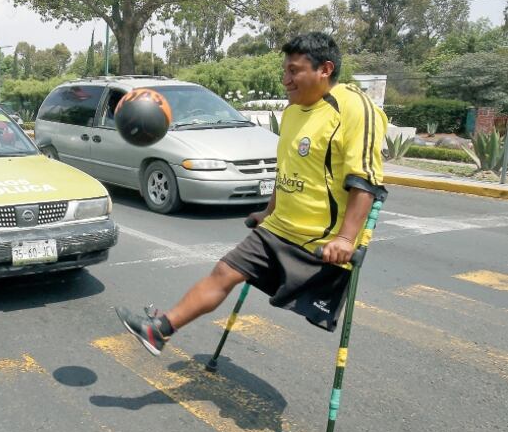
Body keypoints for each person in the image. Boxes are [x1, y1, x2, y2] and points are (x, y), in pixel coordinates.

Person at [117, 33, 387, 354]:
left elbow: (365, 182)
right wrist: (269, 211)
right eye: (284, 70)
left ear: (325, 69)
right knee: (223, 272)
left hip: (319, 242)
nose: (285, 80)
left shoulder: (353, 108)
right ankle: (158, 331)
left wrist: (344, 239)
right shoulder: (292, 112)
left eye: (294, 71)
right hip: (279, 228)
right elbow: (287, 170)